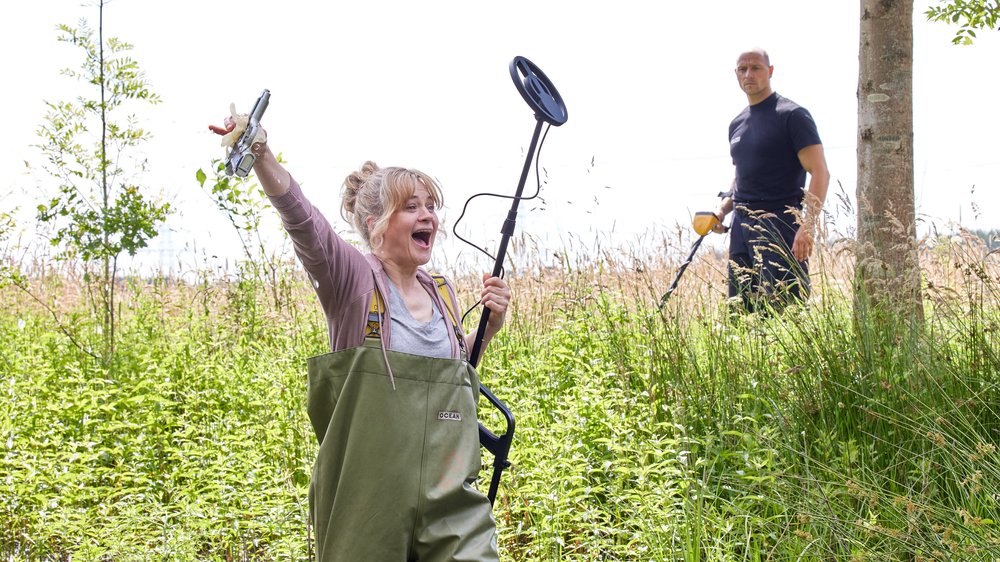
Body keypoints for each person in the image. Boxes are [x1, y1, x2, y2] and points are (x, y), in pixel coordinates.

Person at [210, 113, 510, 561]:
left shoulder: (443, 293)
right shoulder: (352, 280)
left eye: (430, 205)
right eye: (410, 207)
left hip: (449, 504)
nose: (427, 215)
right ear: (374, 223)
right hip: (366, 505)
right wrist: (259, 153)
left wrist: (488, 329)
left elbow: (453, 382)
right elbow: (303, 221)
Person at [712, 48, 830, 313]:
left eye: (755, 68)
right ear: (736, 74)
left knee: (787, 310)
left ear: (770, 71)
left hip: (781, 223)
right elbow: (743, 176)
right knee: (741, 313)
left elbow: (820, 172)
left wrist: (807, 225)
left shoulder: (792, 115)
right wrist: (721, 211)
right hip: (741, 227)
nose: (748, 74)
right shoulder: (737, 124)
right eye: (742, 69)